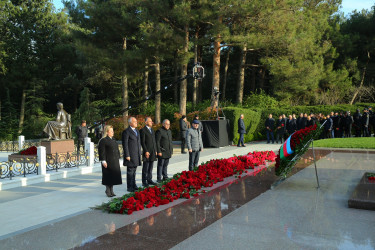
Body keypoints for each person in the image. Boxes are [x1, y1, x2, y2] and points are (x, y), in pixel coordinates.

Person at [98, 125, 122, 197]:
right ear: (107, 132)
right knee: (108, 176)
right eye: (111, 131)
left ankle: (111, 190)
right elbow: (101, 151)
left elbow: (116, 150)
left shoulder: (113, 140)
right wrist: (103, 160)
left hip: (114, 160)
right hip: (108, 160)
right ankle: (108, 190)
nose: (113, 132)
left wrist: (118, 157)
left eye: (113, 131)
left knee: (113, 176)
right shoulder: (103, 140)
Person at [122, 117, 142, 192]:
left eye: (136, 121)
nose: (136, 122)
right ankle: (129, 186)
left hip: (136, 154)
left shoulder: (137, 131)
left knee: (134, 171)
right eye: (134, 121)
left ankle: (134, 184)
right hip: (130, 155)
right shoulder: (126, 131)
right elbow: (125, 144)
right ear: (130, 123)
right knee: (130, 171)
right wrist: (127, 155)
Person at [140, 117, 157, 187]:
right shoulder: (143, 130)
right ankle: (144, 181)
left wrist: (155, 150)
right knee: (145, 167)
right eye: (150, 121)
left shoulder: (152, 130)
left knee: (151, 167)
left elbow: (154, 141)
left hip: (153, 151)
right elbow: (143, 142)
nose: (151, 122)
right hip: (147, 151)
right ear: (146, 122)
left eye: (152, 121)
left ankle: (149, 179)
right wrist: (146, 151)